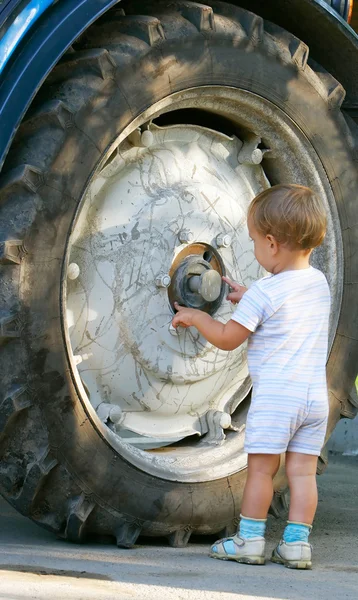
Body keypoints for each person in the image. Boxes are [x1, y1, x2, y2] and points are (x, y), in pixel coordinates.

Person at [172, 184, 330, 570]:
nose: (256, 247)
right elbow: (284, 304)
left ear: (272, 244)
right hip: (314, 399)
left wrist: (198, 317)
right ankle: (296, 545)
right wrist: (255, 294)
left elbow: (228, 339)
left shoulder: (264, 294)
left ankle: (250, 540)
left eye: (256, 241)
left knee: (262, 469)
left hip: (278, 399)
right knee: (302, 473)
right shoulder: (319, 283)